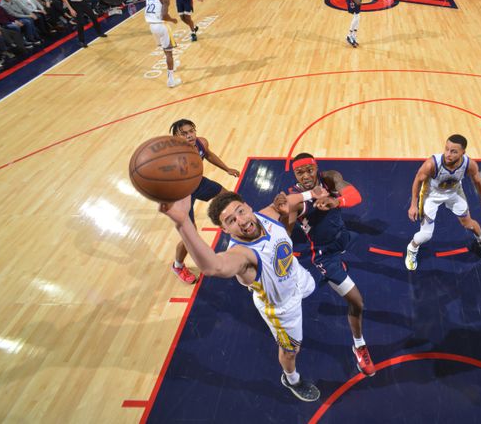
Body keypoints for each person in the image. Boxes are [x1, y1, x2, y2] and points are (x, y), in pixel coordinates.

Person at [158, 188, 325, 402]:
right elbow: (214, 267)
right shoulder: (241, 255)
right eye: (231, 220)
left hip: (296, 276)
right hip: (281, 308)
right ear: (225, 230)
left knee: (310, 287)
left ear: (248, 206)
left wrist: (313, 193)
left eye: (241, 211)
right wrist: (183, 223)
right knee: (291, 350)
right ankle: (291, 379)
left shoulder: (267, 214)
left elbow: (290, 200)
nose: (241, 220)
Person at [278, 153, 376, 377]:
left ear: (316, 168)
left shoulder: (330, 178)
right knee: (357, 302)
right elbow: (286, 236)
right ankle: (359, 345)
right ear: (294, 175)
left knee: (369, 251)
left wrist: (336, 201)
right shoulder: (296, 200)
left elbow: (355, 196)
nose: (305, 176)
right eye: (299, 172)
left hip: (343, 237)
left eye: (309, 170)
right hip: (324, 255)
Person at [405, 134, 481, 271]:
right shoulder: (432, 164)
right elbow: (417, 180)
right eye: (446, 149)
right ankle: (411, 249)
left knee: (468, 223)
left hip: (454, 193)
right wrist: (413, 205)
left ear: (463, 152)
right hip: (431, 196)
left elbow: (477, 180)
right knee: (426, 234)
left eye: (453, 151)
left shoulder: (469, 164)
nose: (448, 154)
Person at [168, 118, 240, 283]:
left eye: (191, 131)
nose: (189, 136)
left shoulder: (201, 143)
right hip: (182, 194)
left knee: (227, 196)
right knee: (190, 234)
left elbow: (208, 154)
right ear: (176, 138)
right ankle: (178, 265)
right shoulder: (174, 155)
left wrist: (227, 168)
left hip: (198, 183)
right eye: (183, 134)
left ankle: (229, 223)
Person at [145, 0, 181, 88]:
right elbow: (164, 15)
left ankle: (173, 65)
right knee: (169, 52)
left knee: (165, 49)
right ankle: (171, 80)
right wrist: (173, 20)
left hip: (151, 26)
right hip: (161, 26)